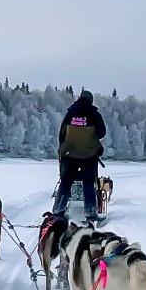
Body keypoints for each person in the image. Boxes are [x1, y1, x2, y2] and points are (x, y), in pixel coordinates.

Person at [54, 88, 106, 222]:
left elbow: (62, 134)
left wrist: (63, 148)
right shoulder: (94, 114)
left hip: (69, 154)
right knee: (88, 183)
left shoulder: (70, 113)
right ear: (90, 100)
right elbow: (102, 133)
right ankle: (90, 213)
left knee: (65, 182)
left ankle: (58, 211)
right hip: (89, 155)